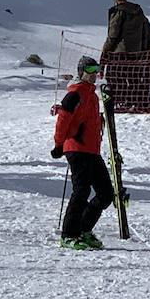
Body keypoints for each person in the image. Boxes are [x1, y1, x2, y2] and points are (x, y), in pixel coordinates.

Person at [51, 56, 114, 249]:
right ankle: (69, 234)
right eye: (90, 69)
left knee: (106, 193)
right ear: (81, 71)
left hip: (91, 149)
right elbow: (63, 119)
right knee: (82, 190)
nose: (94, 73)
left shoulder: (92, 95)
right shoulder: (76, 93)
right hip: (76, 148)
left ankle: (83, 229)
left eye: (96, 69)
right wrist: (59, 144)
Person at [101, 0, 150, 113]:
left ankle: (119, 103)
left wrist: (105, 51)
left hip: (119, 53)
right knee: (134, 78)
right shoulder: (139, 13)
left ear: (116, 2)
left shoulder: (119, 12)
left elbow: (113, 35)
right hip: (138, 53)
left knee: (116, 78)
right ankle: (135, 103)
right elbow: (148, 32)